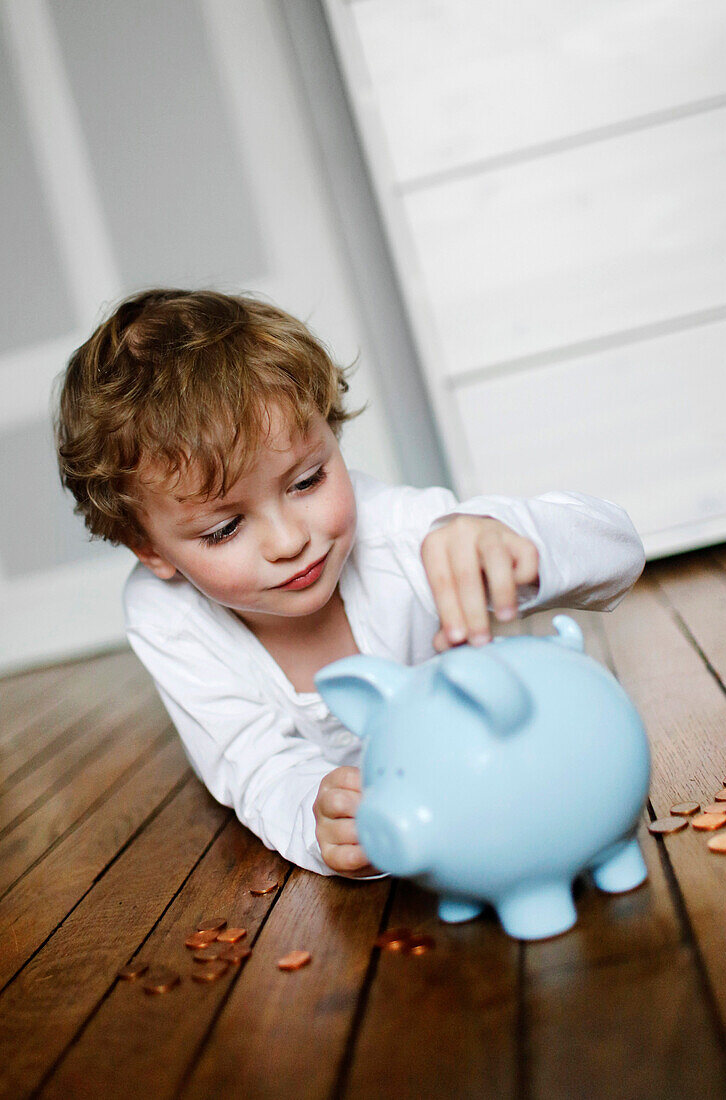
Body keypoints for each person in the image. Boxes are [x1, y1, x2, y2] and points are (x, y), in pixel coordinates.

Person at [54, 288, 645, 879]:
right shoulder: (166, 616)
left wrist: (510, 538)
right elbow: (253, 765)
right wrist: (320, 821)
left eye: (308, 480)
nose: (289, 540)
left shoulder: (395, 530)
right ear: (152, 551)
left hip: (513, 779)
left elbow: (617, 549)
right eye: (226, 527)